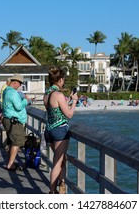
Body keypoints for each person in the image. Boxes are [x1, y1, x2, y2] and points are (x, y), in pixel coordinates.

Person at [44, 66, 78, 194]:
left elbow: (57, 110)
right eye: (63, 79)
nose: (63, 81)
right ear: (60, 80)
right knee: (57, 162)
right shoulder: (58, 94)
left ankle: (62, 185)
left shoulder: (47, 94)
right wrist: (74, 102)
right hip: (59, 130)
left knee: (61, 159)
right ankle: (52, 191)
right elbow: (69, 114)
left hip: (49, 130)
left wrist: (67, 100)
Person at [2, 74, 30, 170]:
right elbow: (18, 107)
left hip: (8, 119)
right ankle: (10, 164)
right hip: (14, 121)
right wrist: (26, 100)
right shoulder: (13, 93)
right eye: (20, 83)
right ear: (15, 82)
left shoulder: (6, 91)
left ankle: (10, 162)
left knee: (12, 141)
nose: (20, 86)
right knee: (17, 142)